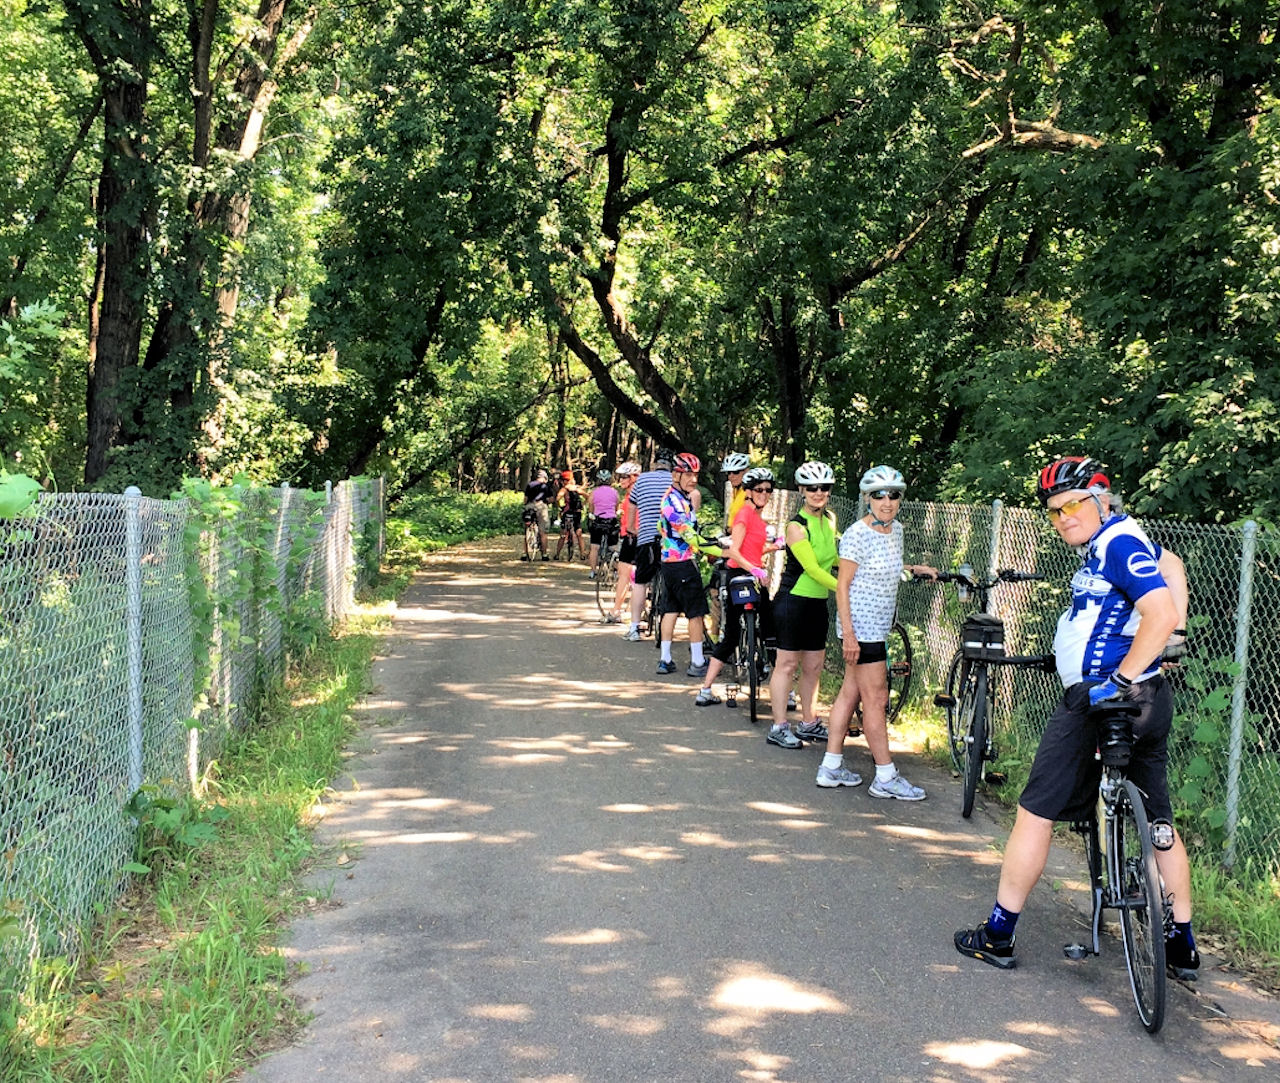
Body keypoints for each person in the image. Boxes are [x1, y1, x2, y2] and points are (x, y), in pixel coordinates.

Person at [955, 456, 1198, 980]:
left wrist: (1122, 677)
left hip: (1103, 700)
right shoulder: (1117, 539)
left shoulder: (1117, 543)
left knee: (1035, 813)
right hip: (1147, 699)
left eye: (1072, 505)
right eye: (1054, 511)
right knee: (1158, 820)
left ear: (1102, 500)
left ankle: (998, 932)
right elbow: (1172, 563)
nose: (1063, 517)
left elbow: (1159, 613)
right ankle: (1181, 942)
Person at [819, 466, 936, 797]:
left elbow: (881, 568)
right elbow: (843, 586)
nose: (887, 502)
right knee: (876, 698)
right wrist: (850, 635)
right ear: (867, 499)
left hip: (878, 627)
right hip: (862, 629)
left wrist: (912, 568)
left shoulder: (896, 530)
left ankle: (830, 766)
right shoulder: (857, 534)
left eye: (893, 495)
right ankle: (885, 776)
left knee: (850, 692)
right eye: (879, 495)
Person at [766, 461, 839, 749]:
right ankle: (779, 726)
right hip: (793, 601)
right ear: (801, 490)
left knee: (814, 665)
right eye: (812, 488)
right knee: (786, 664)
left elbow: (833, 559)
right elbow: (813, 569)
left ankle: (809, 722)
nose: (818, 493)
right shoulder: (796, 526)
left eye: (824, 487)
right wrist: (845, 588)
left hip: (817, 603)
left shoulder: (830, 519)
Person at [695, 467, 777, 705]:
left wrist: (773, 547)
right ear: (748, 492)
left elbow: (753, 549)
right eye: (759, 489)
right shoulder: (744, 515)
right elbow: (734, 551)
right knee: (731, 634)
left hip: (754, 575)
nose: (764, 494)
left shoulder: (759, 519)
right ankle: (705, 689)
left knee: (770, 632)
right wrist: (755, 570)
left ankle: (784, 690)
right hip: (741, 575)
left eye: (768, 490)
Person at [654, 453, 722, 676]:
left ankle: (665, 659)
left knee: (671, 609)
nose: (693, 480)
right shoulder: (673, 502)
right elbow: (689, 536)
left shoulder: (678, 497)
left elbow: (661, 527)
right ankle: (698, 662)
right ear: (676, 475)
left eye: (696, 475)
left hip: (669, 563)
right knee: (696, 613)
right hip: (682, 563)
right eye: (688, 475)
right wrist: (721, 549)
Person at [623, 449, 675, 641]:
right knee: (673, 580)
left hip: (646, 537)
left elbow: (632, 505)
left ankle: (634, 628)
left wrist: (630, 528)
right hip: (671, 539)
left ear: (655, 463)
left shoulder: (642, 480)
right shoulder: (675, 480)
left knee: (640, 582)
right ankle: (669, 628)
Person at [609, 461, 642, 623]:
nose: (621, 480)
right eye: (620, 477)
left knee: (624, 575)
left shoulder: (633, 496)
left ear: (634, 478)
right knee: (638, 576)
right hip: (637, 536)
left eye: (624, 477)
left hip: (631, 537)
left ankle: (616, 610)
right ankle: (641, 608)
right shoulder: (636, 494)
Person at [587, 468, 621, 579]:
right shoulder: (615, 492)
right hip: (611, 521)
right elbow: (616, 506)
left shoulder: (594, 492)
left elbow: (591, 506)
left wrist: (592, 514)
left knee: (594, 547)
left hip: (598, 521)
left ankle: (593, 571)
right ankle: (616, 570)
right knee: (614, 547)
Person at [553, 471, 586, 560]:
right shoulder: (577, 489)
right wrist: (583, 504)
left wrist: (561, 507)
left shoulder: (564, 489)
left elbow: (557, 498)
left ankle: (557, 554)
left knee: (563, 534)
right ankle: (582, 554)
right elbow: (587, 496)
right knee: (579, 533)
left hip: (567, 512)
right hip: (577, 512)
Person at [520, 469, 552, 560]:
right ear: (544, 478)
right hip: (541, 507)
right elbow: (550, 499)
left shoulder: (530, 485)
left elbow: (525, 499)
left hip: (530, 506)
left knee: (527, 528)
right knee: (543, 532)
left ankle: (524, 553)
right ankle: (544, 554)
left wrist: (525, 505)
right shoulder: (546, 486)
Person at [719, 452, 752, 530]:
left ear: (746, 471)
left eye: (736, 472)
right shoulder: (736, 490)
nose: (731, 476)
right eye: (728, 473)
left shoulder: (751, 493)